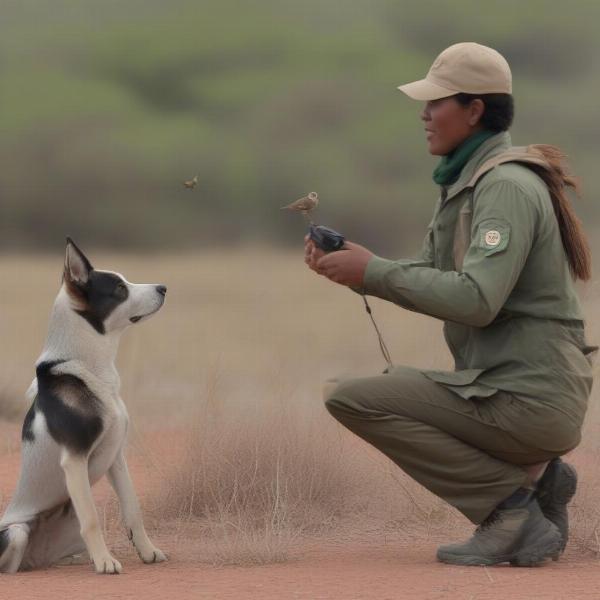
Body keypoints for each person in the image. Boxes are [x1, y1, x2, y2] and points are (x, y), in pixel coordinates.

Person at [304, 42, 596, 567]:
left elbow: (477, 300)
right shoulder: (473, 183)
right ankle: (540, 480)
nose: (424, 114)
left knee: (351, 397)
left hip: (527, 399)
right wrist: (354, 268)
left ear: (475, 110)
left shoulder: (504, 186)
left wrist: (373, 272)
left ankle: (513, 511)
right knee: (375, 391)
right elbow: (435, 277)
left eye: (436, 102)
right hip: (518, 394)